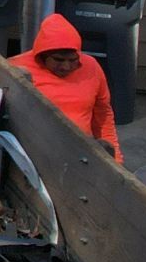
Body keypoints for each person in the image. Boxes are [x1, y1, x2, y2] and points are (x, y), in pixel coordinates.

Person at [13, 12, 122, 160]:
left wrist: (116, 159)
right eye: (58, 60)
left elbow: (103, 115)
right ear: (42, 56)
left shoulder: (92, 67)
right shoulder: (16, 68)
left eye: (73, 60)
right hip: (37, 152)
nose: (66, 66)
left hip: (83, 152)